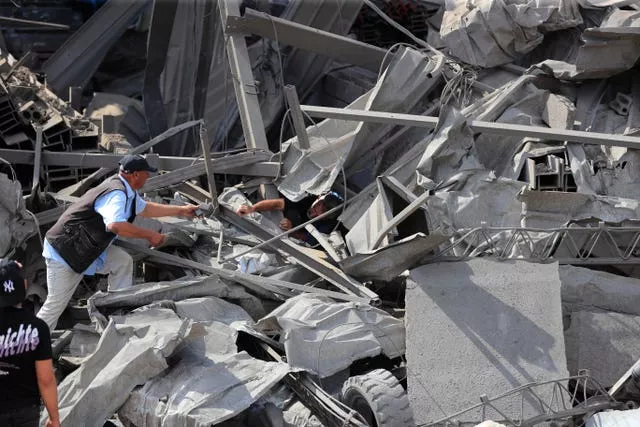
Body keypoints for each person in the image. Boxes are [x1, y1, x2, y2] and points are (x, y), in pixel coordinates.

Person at [37, 154, 199, 330]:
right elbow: (115, 225)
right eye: (146, 173)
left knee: (122, 262)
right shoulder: (116, 193)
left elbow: (145, 208)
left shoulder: (124, 188)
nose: (148, 177)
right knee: (54, 306)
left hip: (86, 247)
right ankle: (26, 348)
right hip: (66, 252)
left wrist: (181, 210)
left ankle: (117, 318)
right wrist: (149, 235)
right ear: (135, 174)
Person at [0, 260, 59, 427]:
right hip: (25, 411)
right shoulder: (38, 327)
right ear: (24, 286)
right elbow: (46, 379)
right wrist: (54, 418)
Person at [236, 191, 344, 245]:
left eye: (320, 213)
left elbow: (308, 239)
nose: (314, 212)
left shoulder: (327, 226)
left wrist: (291, 231)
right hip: (285, 221)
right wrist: (253, 208)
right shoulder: (307, 200)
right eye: (316, 207)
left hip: (293, 234)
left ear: (326, 218)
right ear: (318, 199)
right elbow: (277, 204)